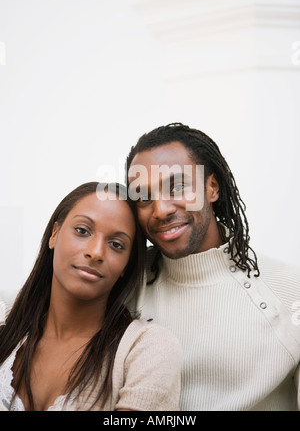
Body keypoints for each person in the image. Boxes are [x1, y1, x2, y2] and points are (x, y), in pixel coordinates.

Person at [126, 122, 300, 411]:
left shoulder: (288, 288)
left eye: (178, 186)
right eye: (144, 197)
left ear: (212, 188)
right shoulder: (126, 283)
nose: (161, 210)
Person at [0, 182, 182, 411]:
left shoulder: (147, 350)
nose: (95, 252)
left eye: (117, 244)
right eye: (82, 231)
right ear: (54, 235)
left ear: (127, 264)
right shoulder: (7, 334)